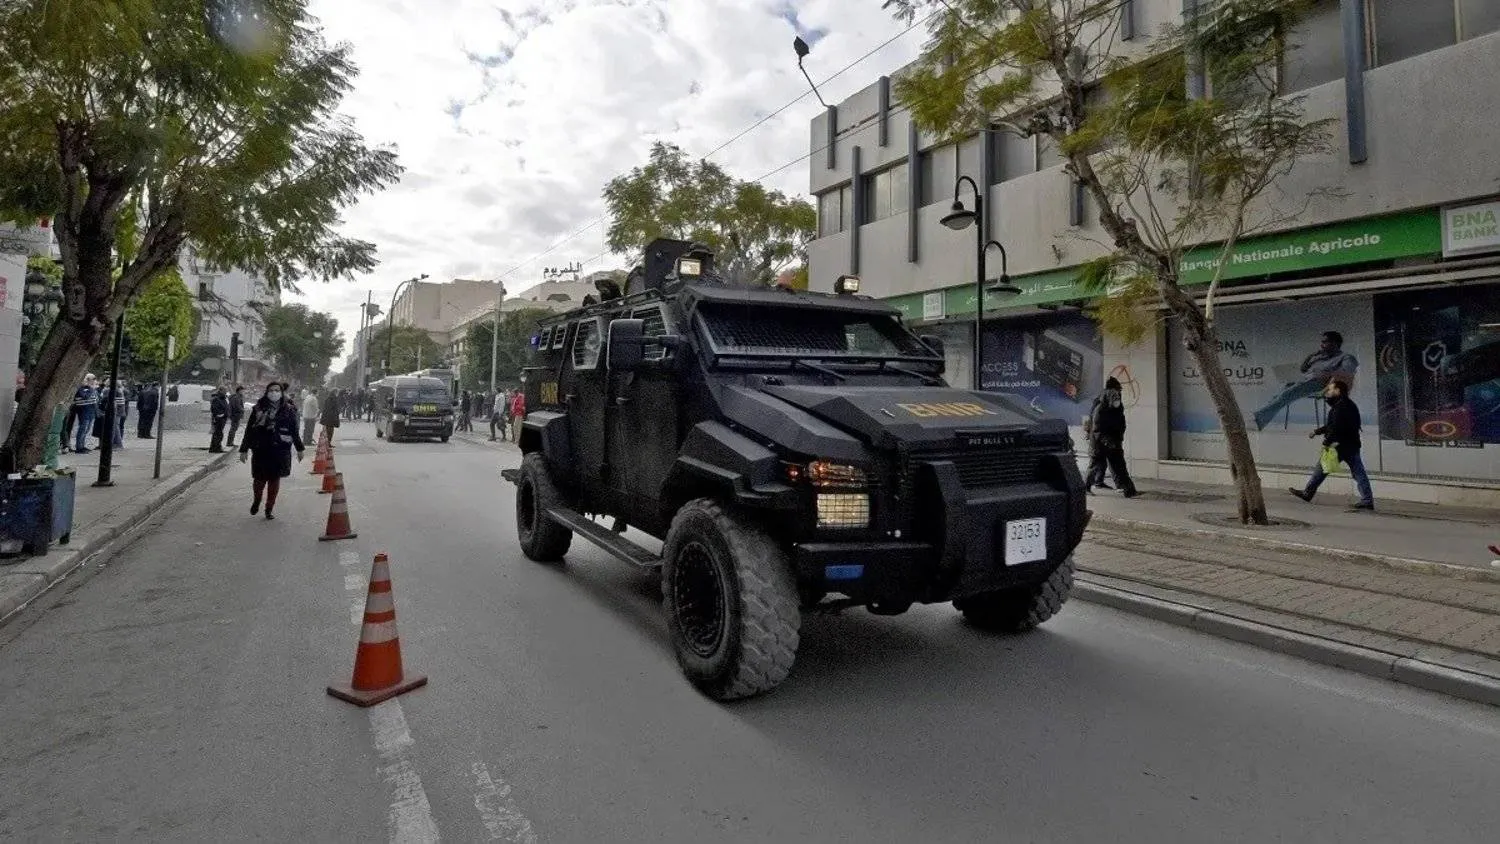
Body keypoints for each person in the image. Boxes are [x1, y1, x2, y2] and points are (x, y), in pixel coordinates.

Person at [1289, 378, 1374, 510]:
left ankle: (1308, 493)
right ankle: (1367, 500)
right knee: (1358, 472)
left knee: (1322, 468)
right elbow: (1333, 425)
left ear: (1338, 391)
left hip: (1338, 445)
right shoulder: (1346, 404)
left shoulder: (1340, 407)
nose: (1328, 392)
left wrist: (1326, 443)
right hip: (1351, 445)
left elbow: (1335, 427)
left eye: (1330, 389)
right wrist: (1317, 431)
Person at [1253, 331, 1359, 431]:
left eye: (1324, 342)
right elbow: (1303, 369)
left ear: (1334, 343)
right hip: (1305, 380)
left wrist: (1327, 375)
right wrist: (1311, 357)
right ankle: (1260, 418)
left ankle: (1258, 419)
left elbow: (1346, 371)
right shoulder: (1319, 357)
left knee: (1286, 394)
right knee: (1279, 395)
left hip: (1321, 384)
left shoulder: (1346, 357)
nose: (1321, 345)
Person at [239, 382, 305, 519]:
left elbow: (294, 430)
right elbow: (249, 430)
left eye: (277, 390)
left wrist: (300, 448)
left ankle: (269, 508)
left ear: (281, 393)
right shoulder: (258, 408)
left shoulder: (288, 409)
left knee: (274, 481)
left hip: (279, 450)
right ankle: (257, 500)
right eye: (271, 390)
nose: (274, 393)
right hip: (261, 449)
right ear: (267, 392)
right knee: (259, 480)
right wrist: (243, 449)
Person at [1084, 376, 1138, 498]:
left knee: (1120, 467)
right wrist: (1108, 441)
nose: (1118, 397)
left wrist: (1118, 437)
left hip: (1113, 441)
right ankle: (1086, 487)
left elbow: (1121, 423)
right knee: (1095, 465)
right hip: (1100, 443)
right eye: (1116, 395)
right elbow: (1097, 429)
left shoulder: (1117, 408)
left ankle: (1129, 490)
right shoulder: (1100, 408)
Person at [72, 374, 99, 454]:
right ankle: (79, 447)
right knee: (82, 429)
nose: (92, 381)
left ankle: (82, 445)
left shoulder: (91, 389)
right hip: (83, 411)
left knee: (87, 429)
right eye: (90, 379)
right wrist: (91, 389)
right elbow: (85, 397)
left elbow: (96, 399)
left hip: (91, 411)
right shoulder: (80, 389)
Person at [209, 385, 230, 452]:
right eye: (225, 390)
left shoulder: (223, 398)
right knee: (218, 433)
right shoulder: (217, 398)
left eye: (226, 390)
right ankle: (215, 448)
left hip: (223, 418)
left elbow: (226, 406)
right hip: (219, 419)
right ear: (221, 390)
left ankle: (216, 447)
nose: (226, 392)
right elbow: (214, 409)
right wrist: (220, 415)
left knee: (219, 433)